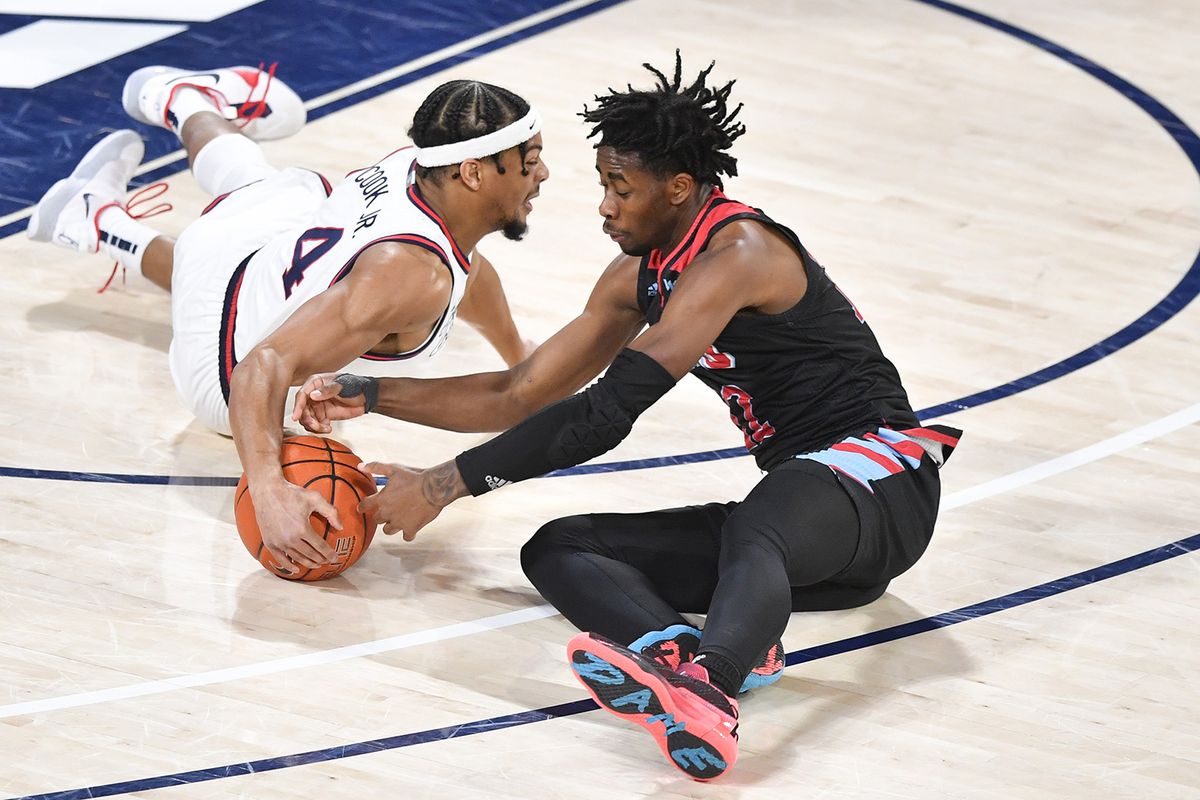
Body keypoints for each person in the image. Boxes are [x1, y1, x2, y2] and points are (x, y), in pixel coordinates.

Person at [290, 53, 961, 782]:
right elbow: (520, 392)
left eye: (622, 188)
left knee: (759, 522)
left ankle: (712, 691)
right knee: (559, 549)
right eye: (603, 185)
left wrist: (447, 484)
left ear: (678, 189)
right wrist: (378, 395)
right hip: (805, 542)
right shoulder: (636, 277)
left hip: (881, 485)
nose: (606, 207)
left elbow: (609, 413)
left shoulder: (740, 253)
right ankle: (684, 651)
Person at [27, 65, 548, 573]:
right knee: (212, 258)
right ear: (474, 172)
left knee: (260, 186)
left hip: (274, 238)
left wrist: (522, 359)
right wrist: (268, 489)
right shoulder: (408, 276)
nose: (542, 174)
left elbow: (469, 275)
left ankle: (181, 100)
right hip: (228, 362)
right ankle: (100, 222)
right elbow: (267, 359)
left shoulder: (420, 165)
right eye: (528, 162)